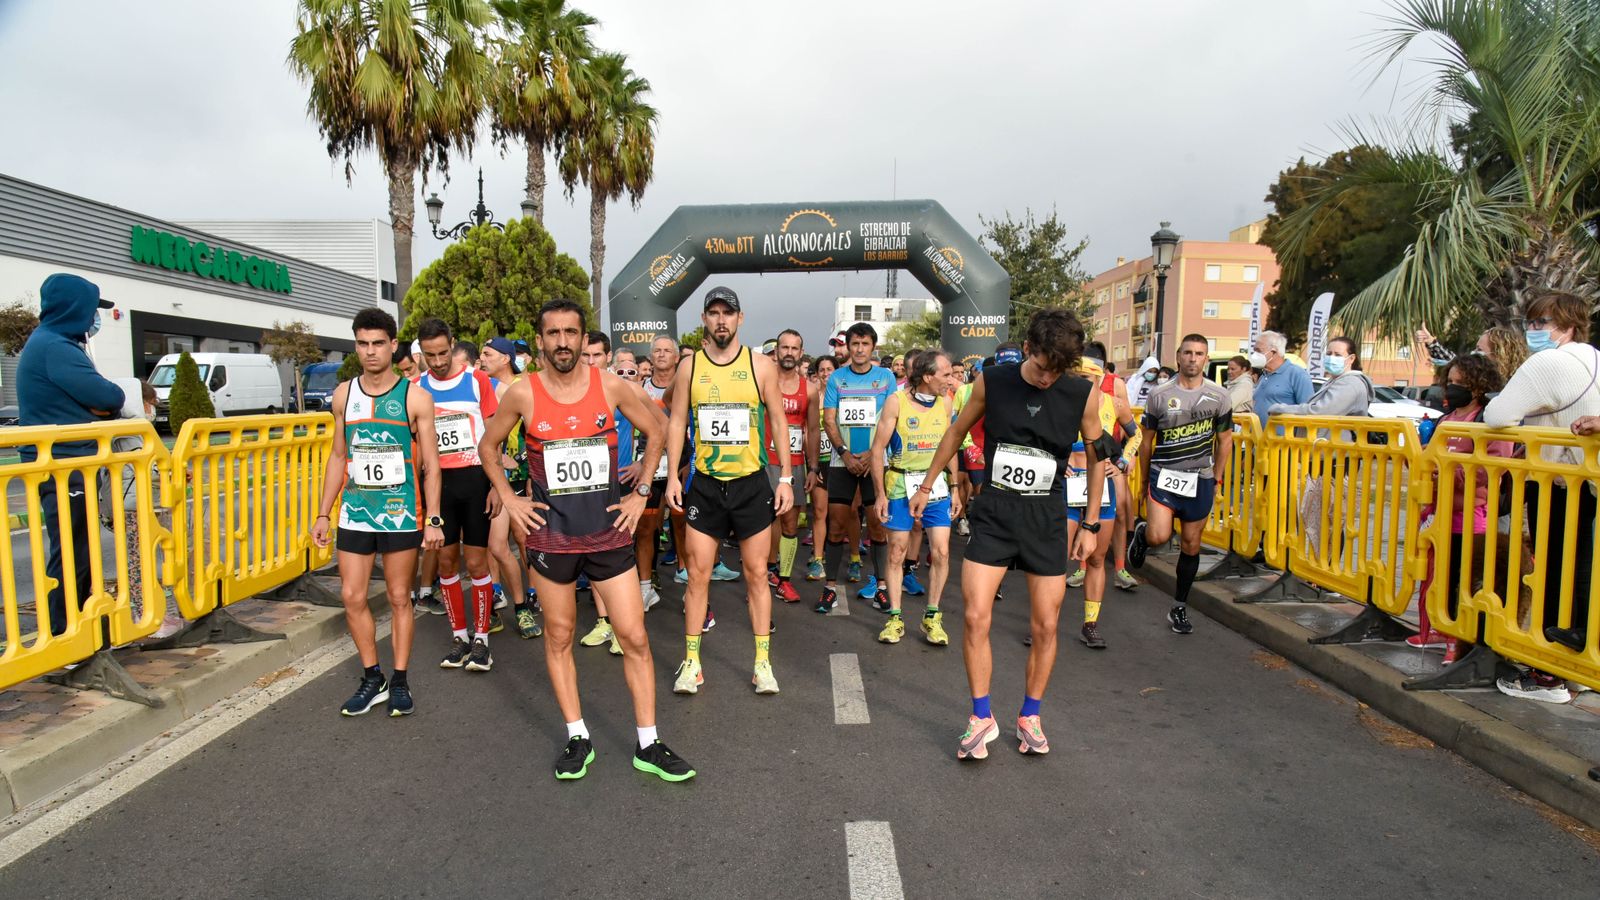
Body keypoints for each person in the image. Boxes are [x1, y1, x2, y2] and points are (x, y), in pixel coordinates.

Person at [478, 299, 696, 782]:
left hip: (609, 534)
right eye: (552, 333)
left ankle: (648, 742)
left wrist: (641, 490)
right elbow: (487, 447)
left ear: (582, 339)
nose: (561, 342)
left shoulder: (610, 385)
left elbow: (658, 429)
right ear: (539, 341)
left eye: (570, 333)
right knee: (558, 637)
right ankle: (578, 736)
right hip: (552, 538)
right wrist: (509, 499)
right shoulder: (523, 393)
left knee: (635, 637)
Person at [911, 310, 1105, 760]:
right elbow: (956, 432)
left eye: (1056, 372)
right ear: (1029, 349)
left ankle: (1030, 716)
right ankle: (981, 717)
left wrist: (1091, 524)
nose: (1046, 379)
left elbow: (1097, 460)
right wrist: (926, 486)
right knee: (976, 617)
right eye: (1040, 367)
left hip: (1047, 517)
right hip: (996, 512)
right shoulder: (992, 382)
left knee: (1047, 624)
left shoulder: (1082, 394)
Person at [311, 306, 445, 716]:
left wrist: (434, 518)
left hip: (401, 511)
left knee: (399, 596)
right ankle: (374, 677)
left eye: (378, 344)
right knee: (352, 596)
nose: (370, 352)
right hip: (356, 511)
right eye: (362, 344)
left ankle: (400, 679)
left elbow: (432, 465)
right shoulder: (343, 395)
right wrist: (322, 513)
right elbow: (338, 457)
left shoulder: (414, 397)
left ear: (393, 346)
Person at [665, 286, 795, 695]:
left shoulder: (760, 365)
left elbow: (778, 420)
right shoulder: (690, 367)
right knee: (697, 576)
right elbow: (676, 422)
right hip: (705, 486)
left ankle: (762, 665)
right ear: (704, 320)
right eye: (713, 313)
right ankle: (692, 664)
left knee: (757, 574)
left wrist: (787, 478)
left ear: (740, 319)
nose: (721, 320)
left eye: (728, 313)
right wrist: (672, 476)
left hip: (751, 485)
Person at [1485, 290, 1600, 700]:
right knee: (1578, 569)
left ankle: (1548, 674)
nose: (1533, 331)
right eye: (1531, 323)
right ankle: (1578, 667)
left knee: (1555, 572)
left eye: (1542, 323)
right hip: (1585, 480)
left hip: (1557, 479)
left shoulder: (1549, 361)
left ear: (1568, 327)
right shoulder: (1594, 358)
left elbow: (1497, 415)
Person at [17, 273, 123, 638]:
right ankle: (66, 633)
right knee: (73, 552)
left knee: (81, 548)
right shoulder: (56, 347)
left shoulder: (57, 344)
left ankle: (80, 626)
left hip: (71, 463)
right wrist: (103, 406)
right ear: (76, 308)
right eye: (93, 309)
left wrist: (99, 406)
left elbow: (99, 401)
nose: (96, 318)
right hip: (63, 466)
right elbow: (110, 397)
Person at [1408, 354, 1512, 661]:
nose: (1452, 389)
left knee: (1463, 579)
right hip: (1437, 513)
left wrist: (1447, 471)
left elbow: (1492, 467)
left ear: (1478, 385)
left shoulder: (1487, 420)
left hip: (1470, 516)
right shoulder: (1447, 418)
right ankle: (1440, 628)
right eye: (1449, 382)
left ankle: (1461, 641)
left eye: (1459, 383)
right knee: (1438, 577)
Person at [1128, 334, 1234, 636]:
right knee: (1160, 535)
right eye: (1187, 352)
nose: (1192, 358)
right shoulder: (1160, 394)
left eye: (1199, 353)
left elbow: (1224, 441)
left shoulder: (1220, 396)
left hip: (1200, 478)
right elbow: (1146, 441)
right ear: (1178, 357)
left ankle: (1179, 606)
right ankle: (1143, 535)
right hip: (1165, 475)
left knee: (1191, 544)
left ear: (1206, 359)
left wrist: (1217, 477)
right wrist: (1145, 477)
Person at [416, 318, 502, 671]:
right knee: (447, 561)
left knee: (477, 562)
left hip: (476, 480)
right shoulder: (417, 386)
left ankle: (482, 639)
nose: (436, 361)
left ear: (452, 344)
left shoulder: (475, 380)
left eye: (442, 353)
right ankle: (459, 634)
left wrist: (498, 485)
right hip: (439, 484)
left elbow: (495, 434)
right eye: (429, 355)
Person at [868, 349, 958, 645]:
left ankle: (932, 616)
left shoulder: (946, 402)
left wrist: (955, 487)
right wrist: (879, 494)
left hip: (936, 487)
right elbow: (878, 449)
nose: (952, 379)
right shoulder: (896, 402)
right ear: (927, 376)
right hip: (901, 484)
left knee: (942, 552)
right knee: (896, 552)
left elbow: (950, 446)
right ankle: (895, 618)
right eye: (946, 374)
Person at [816, 322, 897, 614]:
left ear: (873, 346)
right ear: (848, 347)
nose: (859, 349)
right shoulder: (837, 379)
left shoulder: (886, 377)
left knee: (877, 524)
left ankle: (882, 587)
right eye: (854, 344)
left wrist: (871, 454)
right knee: (836, 525)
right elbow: (829, 420)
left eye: (865, 344)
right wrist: (845, 453)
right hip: (842, 462)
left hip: (876, 461)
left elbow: (892, 418)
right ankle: (830, 588)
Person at [478, 337, 540, 639]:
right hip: (489, 476)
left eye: (487, 354)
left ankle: (531, 596)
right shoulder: (482, 386)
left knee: (522, 539)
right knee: (493, 546)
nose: (481, 359)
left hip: (519, 474)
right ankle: (506, 603)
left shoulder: (522, 385)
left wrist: (528, 472)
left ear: (506, 358)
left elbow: (535, 431)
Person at [765, 329, 814, 604]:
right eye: (784, 348)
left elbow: (812, 431)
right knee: (765, 523)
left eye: (794, 349)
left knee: (790, 522)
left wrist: (814, 468)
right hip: (765, 462)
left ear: (801, 352)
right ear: (777, 351)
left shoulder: (811, 388)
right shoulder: (764, 382)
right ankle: (765, 574)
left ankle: (784, 579)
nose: (789, 353)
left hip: (794, 463)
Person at [1266, 337, 1374, 419]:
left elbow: (1320, 411)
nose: (1332, 358)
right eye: (1329, 353)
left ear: (1351, 359)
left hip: (1336, 446)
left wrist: (1282, 409)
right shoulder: (1335, 381)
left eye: (1337, 355)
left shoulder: (1350, 384)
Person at [804, 355, 837, 581]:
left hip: (841, 461)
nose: (826, 373)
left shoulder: (844, 395)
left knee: (843, 515)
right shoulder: (814, 396)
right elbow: (808, 430)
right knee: (819, 511)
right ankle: (817, 559)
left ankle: (850, 557)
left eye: (829, 369)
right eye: (822, 370)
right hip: (820, 460)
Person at [1251, 330, 1312, 425]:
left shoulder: (1297, 374)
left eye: (1258, 350)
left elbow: (1308, 411)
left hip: (1283, 439)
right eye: (1254, 350)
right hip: (1258, 438)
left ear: (1274, 351)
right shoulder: (1264, 375)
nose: (1254, 355)